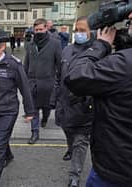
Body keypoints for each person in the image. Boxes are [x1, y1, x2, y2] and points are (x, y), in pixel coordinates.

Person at [64, 0, 132, 186]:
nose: (130, 15)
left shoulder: (128, 63)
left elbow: (75, 77)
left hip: (119, 171)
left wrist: (100, 45)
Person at [0, 28, 34, 187]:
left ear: (3, 46)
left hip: (8, 111)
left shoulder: (14, 65)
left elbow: (25, 89)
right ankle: (8, 155)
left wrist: (29, 111)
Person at [51, 16, 94, 187]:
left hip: (84, 108)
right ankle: (69, 147)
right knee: (69, 133)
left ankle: (74, 176)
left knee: (80, 141)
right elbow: (58, 76)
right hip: (64, 104)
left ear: (93, 32)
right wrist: (54, 98)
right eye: (77, 30)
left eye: (83, 30)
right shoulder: (67, 50)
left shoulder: (98, 52)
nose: (79, 33)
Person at [24, 18, 62, 144]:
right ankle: (35, 133)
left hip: (48, 83)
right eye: (36, 30)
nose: (39, 32)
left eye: (41, 29)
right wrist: (24, 80)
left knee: (46, 107)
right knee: (33, 108)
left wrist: (58, 81)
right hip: (32, 83)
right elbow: (26, 63)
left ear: (46, 28)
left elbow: (59, 64)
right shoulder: (30, 44)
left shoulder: (55, 43)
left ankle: (45, 118)